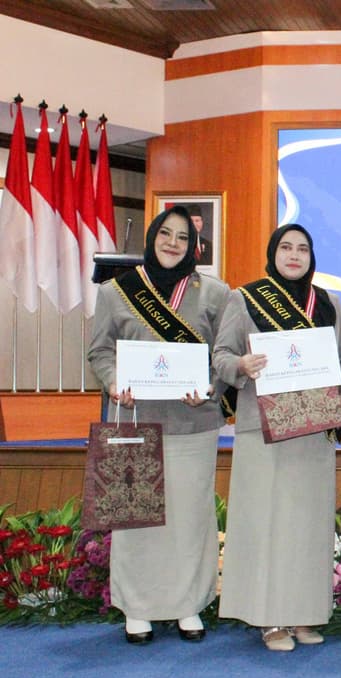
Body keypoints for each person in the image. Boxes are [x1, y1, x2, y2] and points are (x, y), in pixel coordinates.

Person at [87, 206, 229, 645]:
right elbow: (100, 351)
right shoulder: (116, 292)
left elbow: (226, 355)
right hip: (135, 420)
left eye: (183, 237)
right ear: (152, 238)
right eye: (166, 234)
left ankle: (189, 604)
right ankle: (137, 608)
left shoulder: (215, 293)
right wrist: (114, 382)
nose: (173, 243)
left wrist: (211, 386)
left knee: (190, 519)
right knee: (135, 520)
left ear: (194, 246)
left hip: (194, 423)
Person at [214, 223, 341, 652]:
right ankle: (269, 619)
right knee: (266, 524)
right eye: (286, 247)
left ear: (311, 257)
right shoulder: (244, 298)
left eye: (303, 249)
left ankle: (303, 614)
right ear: (272, 253)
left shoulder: (329, 303)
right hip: (262, 431)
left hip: (314, 432)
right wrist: (241, 365)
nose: (294, 255)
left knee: (307, 528)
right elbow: (220, 356)